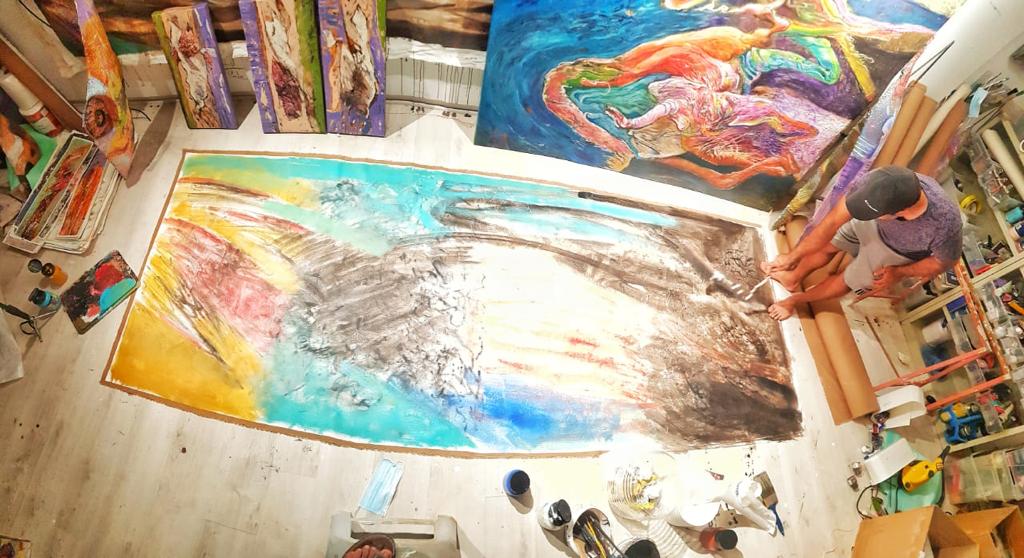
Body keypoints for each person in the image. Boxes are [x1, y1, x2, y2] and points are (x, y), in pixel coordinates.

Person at [763, 165, 962, 320]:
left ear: (902, 212)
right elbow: (832, 221)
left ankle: (794, 300)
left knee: (849, 279)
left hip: (897, 251)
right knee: (829, 243)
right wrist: (792, 257)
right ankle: (793, 277)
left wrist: (900, 272)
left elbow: (944, 262)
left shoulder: (944, 224)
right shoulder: (883, 181)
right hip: (876, 225)